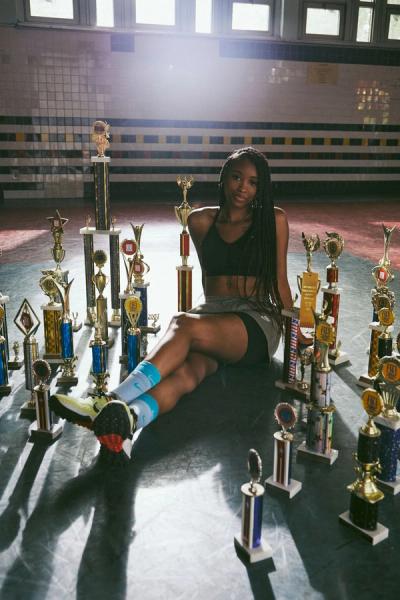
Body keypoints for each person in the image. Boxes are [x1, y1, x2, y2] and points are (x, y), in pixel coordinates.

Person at [50, 147, 299, 463]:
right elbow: (212, 280)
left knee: (182, 323)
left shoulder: (274, 221)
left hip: (256, 324)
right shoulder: (200, 221)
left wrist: (296, 335)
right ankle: (130, 419)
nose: (243, 188)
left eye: (252, 182)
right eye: (237, 178)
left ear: (260, 187)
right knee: (186, 372)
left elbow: (279, 280)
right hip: (214, 317)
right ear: (224, 180)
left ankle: (106, 401)